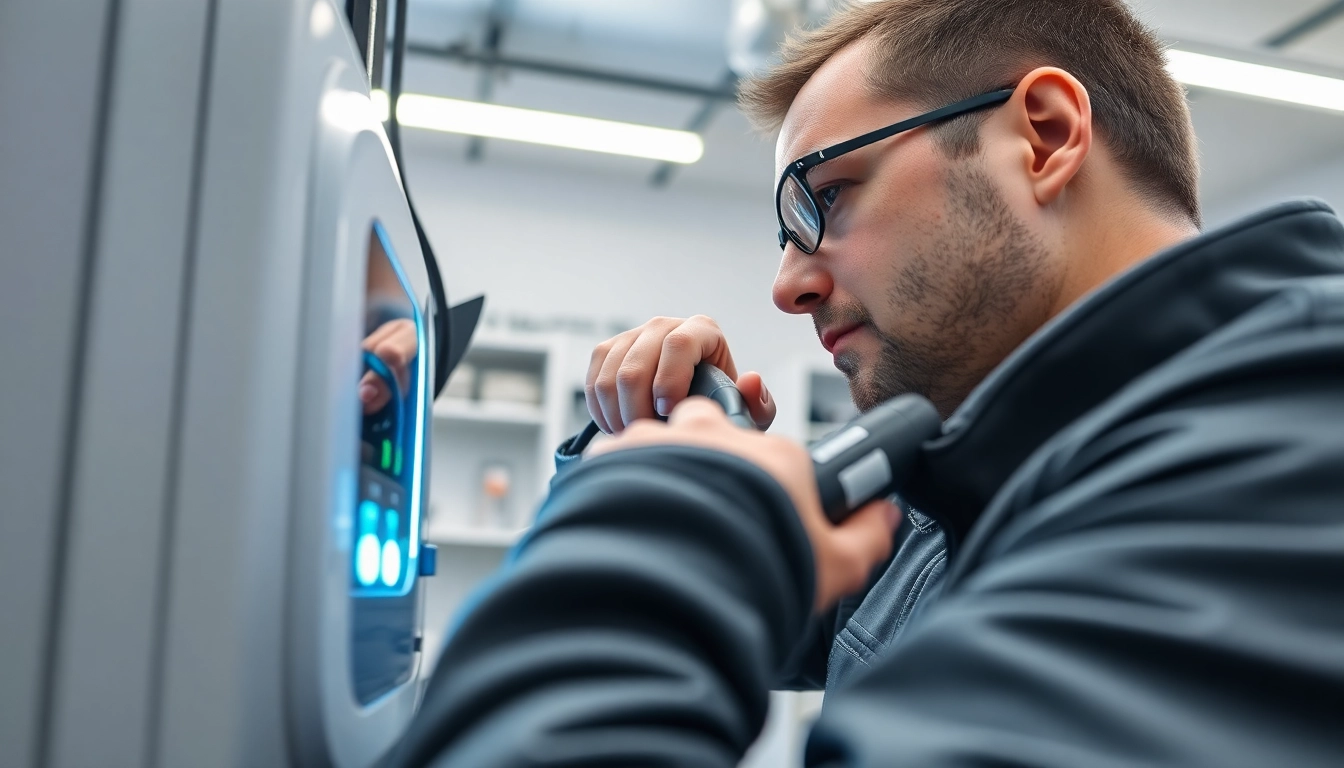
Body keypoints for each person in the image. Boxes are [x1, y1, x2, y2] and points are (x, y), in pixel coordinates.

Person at [383, 0, 1344, 765]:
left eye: (827, 197)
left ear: (1045, 136)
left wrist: (656, 524)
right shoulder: (971, 482)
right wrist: (652, 452)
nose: (789, 285)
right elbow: (789, 608)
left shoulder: (1291, 450)